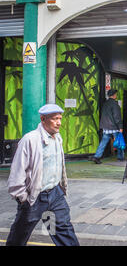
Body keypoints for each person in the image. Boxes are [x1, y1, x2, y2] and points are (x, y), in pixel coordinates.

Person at [6, 104, 80, 246]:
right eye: (55, 119)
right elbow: (17, 172)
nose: (59, 122)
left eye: (60, 118)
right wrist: (23, 198)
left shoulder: (57, 138)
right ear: (43, 119)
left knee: (62, 229)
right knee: (20, 234)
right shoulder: (30, 140)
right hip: (34, 198)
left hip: (55, 195)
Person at [92, 89, 124, 164]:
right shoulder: (115, 105)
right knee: (119, 141)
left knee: (103, 142)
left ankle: (97, 156)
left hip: (106, 127)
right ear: (114, 95)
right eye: (116, 94)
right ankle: (120, 157)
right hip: (114, 127)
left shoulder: (105, 103)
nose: (116, 95)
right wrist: (120, 127)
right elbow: (117, 117)